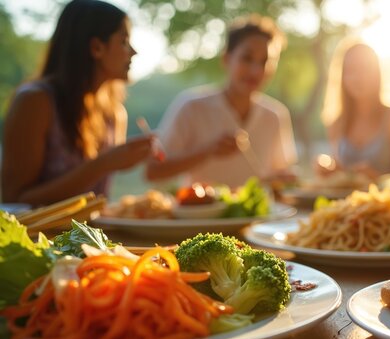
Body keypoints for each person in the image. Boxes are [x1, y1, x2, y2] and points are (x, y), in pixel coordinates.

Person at [1, 0, 155, 206]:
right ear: (96, 47)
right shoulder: (35, 102)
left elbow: (101, 202)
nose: (133, 52)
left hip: (95, 237)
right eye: (124, 41)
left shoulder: (115, 113)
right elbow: (14, 200)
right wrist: (104, 164)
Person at [145, 14, 297, 189]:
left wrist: (285, 179)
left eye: (265, 61)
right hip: (200, 213)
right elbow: (153, 171)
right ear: (227, 59)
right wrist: (207, 151)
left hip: (257, 216)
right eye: (247, 58)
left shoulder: (275, 115)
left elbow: (278, 176)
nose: (256, 71)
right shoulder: (192, 107)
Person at [317, 39, 390, 181]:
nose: (358, 77)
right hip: (344, 203)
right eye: (351, 70)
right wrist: (329, 168)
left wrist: (375, 179)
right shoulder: (336, 122)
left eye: (365, 69)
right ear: (342, 76)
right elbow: (339, 175)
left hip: (384, 202)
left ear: (378, 72)